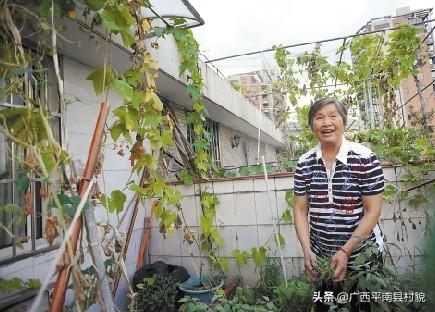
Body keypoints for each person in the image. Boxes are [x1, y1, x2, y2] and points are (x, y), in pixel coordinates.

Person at [293, 98, 384, 311]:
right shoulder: (304, 163)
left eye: (333, 116)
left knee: (362, 306)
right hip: (322, 256)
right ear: (311, 125)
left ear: (343, 121)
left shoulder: (365, 158)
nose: (326, 123)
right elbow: (299, 209)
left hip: (362, 255)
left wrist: (345, 251)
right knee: (326, 306)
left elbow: (373, 211)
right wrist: (307, 252)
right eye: (319, 117)